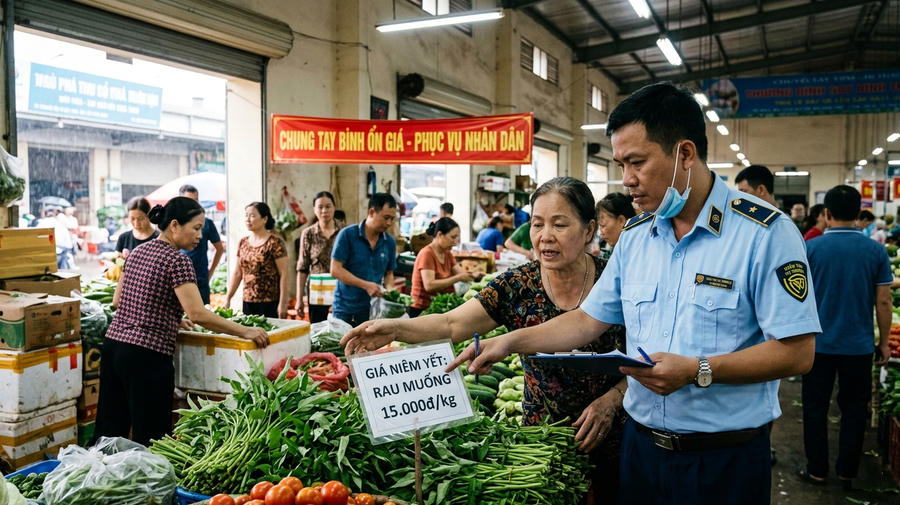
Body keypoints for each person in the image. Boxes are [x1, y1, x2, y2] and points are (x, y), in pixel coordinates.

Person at [448, 82, 820, 505]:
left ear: (684, 154)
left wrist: (698, 369)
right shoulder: (638, 236)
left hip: (723, 460)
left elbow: (796, 352)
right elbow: (589, 319)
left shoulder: (764, 234)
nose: (627, 180)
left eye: (637, 162)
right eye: (620, 163)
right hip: (641, 453)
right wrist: (508, 341)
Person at [343, 177, 628, 504]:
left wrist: (612, 401)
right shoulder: (518, 285)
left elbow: (649, 358)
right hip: (541, 446)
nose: (544, 236)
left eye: (559, 224)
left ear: (589, 230)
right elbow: (452, 323)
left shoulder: (615, 283)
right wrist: (395, 329)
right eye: (537, 224)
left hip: (612, 436)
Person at [94, 197, 268, 446]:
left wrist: (170, 320)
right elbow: (197, 314)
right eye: (196, 228)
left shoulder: (138, 252)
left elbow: (118, 300)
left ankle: (99, 480)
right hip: (147, 356)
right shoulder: (178, 260)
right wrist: (245, 331)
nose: (200, 236)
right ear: (174, 225)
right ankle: (149, 484)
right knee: (151, 437)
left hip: (113, 348)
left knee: (110, 431)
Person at [800, 185, 892, 490]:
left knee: (815, 408)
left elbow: (798, 300)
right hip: (858, 346)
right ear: (859, 214)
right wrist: (882, 343)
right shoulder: (876, 250)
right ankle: (847, 472)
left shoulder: (809, 249)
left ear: (826, 214)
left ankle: (817, 470)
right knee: (854, 410)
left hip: (817, 347)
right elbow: (883, 301)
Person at [330, 193, 397, 326]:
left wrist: (391, 291)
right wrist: (366, 285)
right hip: (345, 309)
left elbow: (389, 274)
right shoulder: (348, 235)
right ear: (372, 212)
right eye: (386, 218)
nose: (389, 223)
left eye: (392, 219)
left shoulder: (389, 242)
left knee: (368, 346)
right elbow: (335, 270)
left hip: (372, 310)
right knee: (343, 345)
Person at [225, 202, 289, 318]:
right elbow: (238, 273)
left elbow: (284, 274)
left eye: (252, 216)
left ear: (264, 219)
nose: (247, 219)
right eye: (246, 215)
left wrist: (283, 303)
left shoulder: (274, 243)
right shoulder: (243, 242)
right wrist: (228, 297)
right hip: (248, 301)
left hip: (270, 302)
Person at [408, 217, 478, 317]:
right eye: (452, 237)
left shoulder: (447, 253)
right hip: (423, 310)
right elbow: (429, 286)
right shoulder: (426, 254)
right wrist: (457, 278)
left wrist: (476, 275)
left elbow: (461, 274)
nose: (455, 242)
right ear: (440, 234)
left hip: (441, 308)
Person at [295, 191, 343, 323]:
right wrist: (299, 299)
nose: (324, 211)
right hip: (317, 290)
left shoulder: (344, 231)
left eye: (328, 206)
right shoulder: (308, 233)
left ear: (334, 207)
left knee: (341, 328)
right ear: (314, 209)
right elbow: (302, 268)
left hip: (340, 289)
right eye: (320, 207)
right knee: (318, 330)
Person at [178, 185, 224, 305]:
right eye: (189, 200)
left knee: (203, 314)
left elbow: (219, 248)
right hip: (178, 278)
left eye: (196, 200)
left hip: (201, 279)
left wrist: (211, 272)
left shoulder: (207, 223)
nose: (193, 204)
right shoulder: (174, 223)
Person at [595, 192, 636, 259]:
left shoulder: (636, 250)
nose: (601, 232)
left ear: (621, 220)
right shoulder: (614, 247)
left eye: (603, 225)